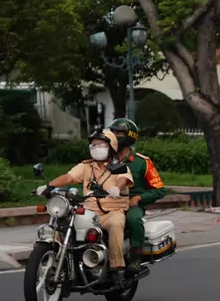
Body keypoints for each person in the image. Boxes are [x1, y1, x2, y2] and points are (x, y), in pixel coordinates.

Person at [37, 129, 135, 284]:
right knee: (61, 226)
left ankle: (117, 268)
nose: (96, 148)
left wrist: (116, 188)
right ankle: (54, 260)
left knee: (116, 225)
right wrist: (49, 186)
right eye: (93, 145)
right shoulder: (86, 166)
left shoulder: (120, 166)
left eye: (100, 144)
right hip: (89, 211)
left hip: (112, 211)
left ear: (111, 147)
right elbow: (69, 177)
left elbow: (123, 180)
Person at [108, 118, 166, 267]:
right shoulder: (104, 160)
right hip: (104, 203)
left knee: (134, 220)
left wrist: (139, 198)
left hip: (130, 204)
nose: (114, 136)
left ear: (129, 136)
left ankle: (135, 256)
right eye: (112, 132)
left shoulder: (142, 162)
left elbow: (159, 190)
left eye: (118, 133)